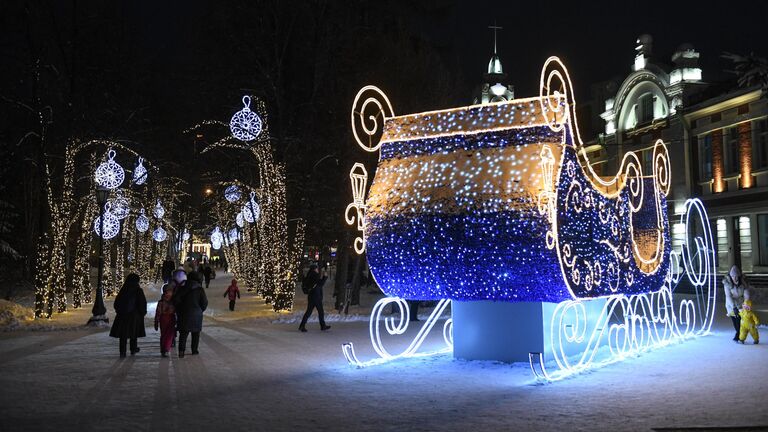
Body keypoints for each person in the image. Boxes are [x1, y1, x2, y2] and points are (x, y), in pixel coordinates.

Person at [109, 273, 148, 357]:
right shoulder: (138, 290)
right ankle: (133, 349)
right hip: (134, 315)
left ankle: (122, 352)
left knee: (123, 335)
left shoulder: (123, 290)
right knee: (133, 333)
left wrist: (119, 311)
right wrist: (142, 313)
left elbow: (116, 303)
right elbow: (142, 303)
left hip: (122, 316)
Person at [172, 269, 208, 357]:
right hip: (196, 314)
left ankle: (181, 351)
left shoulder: (182, 288)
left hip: (184, 313)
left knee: (183, 334)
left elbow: (175, 300)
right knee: (195, 333)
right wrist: (199, 310)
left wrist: (179, 310)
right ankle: (194, 350)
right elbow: (204, 302)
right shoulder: (199, 289)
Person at [299, 263, 331, 332]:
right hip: (316, 297)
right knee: (320, 312)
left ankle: (302, 325)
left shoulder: (309, 275)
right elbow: (321, 284)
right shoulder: (314, 275)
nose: (317, 270)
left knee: (309, 312)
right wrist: (325, 277)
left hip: (311, 296)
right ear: (314, 269)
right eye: (316, 268)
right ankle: (323, 326)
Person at [723, 265, 751, 342]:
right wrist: (734, 307)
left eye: (736, 276)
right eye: (732, 276)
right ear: (730, 276)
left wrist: (746, 304)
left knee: (739, 320)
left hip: (741, 304)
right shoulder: (727, 284)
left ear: (739, 276)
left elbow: (746, 295)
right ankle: (738, 333)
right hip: (730, 305)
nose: (734, 278)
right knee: (734, 321)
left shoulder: (743, 283)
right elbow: (728, 296)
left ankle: (739, 335)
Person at [154, 286, 176, 357]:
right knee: (169, 334)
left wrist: (156, 321)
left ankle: (163, 349)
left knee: (164, 334)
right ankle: (166, 348)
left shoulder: (161, 302)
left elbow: (158, 312)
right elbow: (158, 312)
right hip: (169, 318)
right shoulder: (172, 301)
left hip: (164, 318)